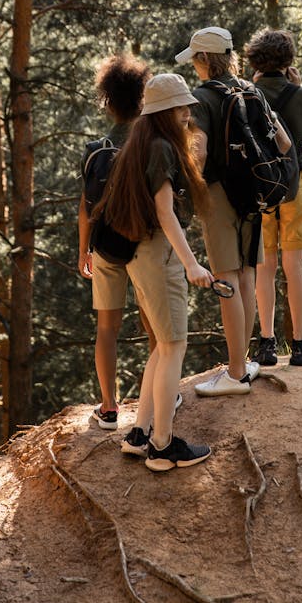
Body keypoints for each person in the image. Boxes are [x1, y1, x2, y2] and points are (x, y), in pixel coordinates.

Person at [93, 73, 214, 471]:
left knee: (163, 345)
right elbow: (165, 213)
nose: (186, 114)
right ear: (166, 112)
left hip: (140, 255)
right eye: (181, 108)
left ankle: (139, 432)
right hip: (157, 256)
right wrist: (192, 263)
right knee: (174, 346)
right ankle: (162, 447)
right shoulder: (161, 148)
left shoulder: (140, 143)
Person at [175, 26, 291, 397]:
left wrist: (186, 189)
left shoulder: (201, 98)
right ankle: (243, 365)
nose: (194, 66)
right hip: (254, 196)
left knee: (226, 279)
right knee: (246, 277)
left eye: (195, 59)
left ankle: (236, 372)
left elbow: (200, 151)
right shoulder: (251, 89)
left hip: (219, 195)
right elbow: (285, 142)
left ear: (206, 59)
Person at [78, 54, 151, 429]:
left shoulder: (95, 149)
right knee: (154, 324)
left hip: (104, 246)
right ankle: (160, 397)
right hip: (144, 245)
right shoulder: (150, 142)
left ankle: (109, 408)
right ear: (143, 95)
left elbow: (85, 207)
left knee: (106, 329)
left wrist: (83, 251)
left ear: (108, 100)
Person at [245, 28, 302, 367]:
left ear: (255, 61)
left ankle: (267, 344)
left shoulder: (247, 94)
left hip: (260, 188)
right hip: (294, 183)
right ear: (288, 60)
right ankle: (300, 347)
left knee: (265, 266)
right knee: (294, 266)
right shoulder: (299, 94)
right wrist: (299, 84)